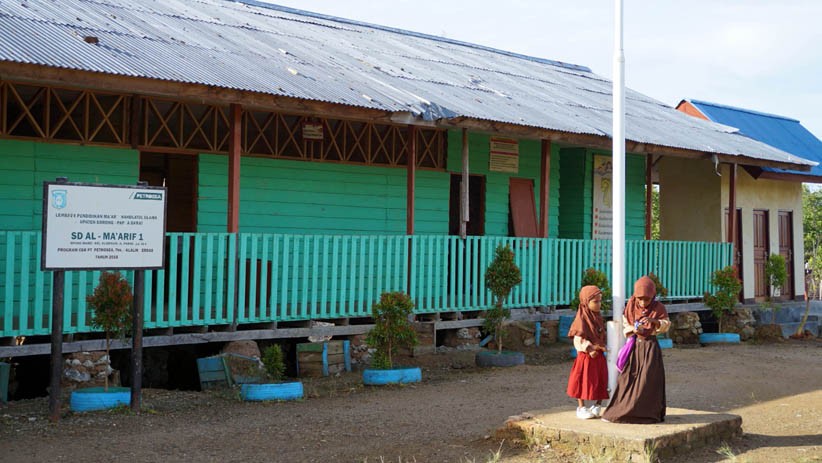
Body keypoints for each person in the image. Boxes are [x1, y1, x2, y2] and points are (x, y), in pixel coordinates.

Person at [601, 275, 671, 423]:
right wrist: (635, 329)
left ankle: (647, 413)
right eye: (640, 298)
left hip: (650, 348)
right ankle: (623, 411)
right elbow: (626, 324)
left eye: (647, 299)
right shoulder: (631, 306)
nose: (643, 302)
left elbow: (666, 324)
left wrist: (655, 322)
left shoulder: (658, 308)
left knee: (648, 381)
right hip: (635, 348)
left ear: (653, 296)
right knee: (627, 380)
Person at [566, 285, 609, 419]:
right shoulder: (581, 319)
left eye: (600, 301)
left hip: (599, 356)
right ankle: (581, 407)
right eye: (595, 302)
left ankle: (597, 405)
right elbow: (578, 339)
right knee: (582, 381)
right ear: (586, 302)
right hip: (586, 357)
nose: (599, 305)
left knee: (601, 380)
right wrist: (590, 348)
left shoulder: (597, 317)